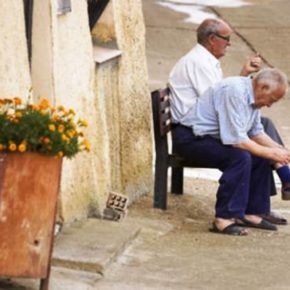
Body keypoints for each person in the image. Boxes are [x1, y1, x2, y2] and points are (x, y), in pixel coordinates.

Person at [169, 18, 290, 224]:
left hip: (204, 126)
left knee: (261, 129)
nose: (229, 43)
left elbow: (226, 96)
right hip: (193, 131)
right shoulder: (199, 63)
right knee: (245, 152)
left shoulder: (207, 62)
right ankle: (282, 177)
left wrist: (278, 152)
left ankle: (258, 206)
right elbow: (222, 98)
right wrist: (272, 152)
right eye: (227, 39)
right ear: (212, 39)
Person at [172, 68, 290, 235]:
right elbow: (237, 140)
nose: (270, 105)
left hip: (211, 138)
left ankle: (251, 212)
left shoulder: (252, 95)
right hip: (191, 139)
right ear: (262, 87)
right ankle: (223, 218)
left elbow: (256, 131)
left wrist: (280, 150)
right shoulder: (234, 92)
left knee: (261, 154)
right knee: (240, 157)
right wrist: (271, 154)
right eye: (271, 99)